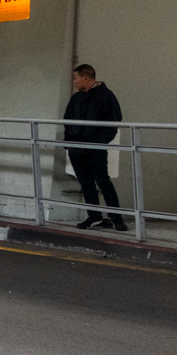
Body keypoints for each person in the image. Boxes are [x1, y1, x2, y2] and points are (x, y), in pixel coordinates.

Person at [64, 63, 125, 230]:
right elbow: (66, 121)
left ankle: (116, 219)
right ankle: (94, 217)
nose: (74, 82)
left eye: (75, 78)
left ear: (86, 78)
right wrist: (68, 143)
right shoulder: (75, 99)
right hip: (77, 149)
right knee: (86, 184)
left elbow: (112, 123)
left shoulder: (106, 96)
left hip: (95, 149)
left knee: (104, 183)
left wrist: (98, 143)